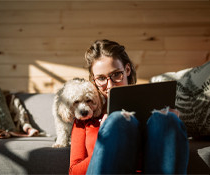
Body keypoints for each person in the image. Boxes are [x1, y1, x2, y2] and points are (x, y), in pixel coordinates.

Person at [69, 39, 189, 174]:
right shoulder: (84, 117)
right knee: (118, 120)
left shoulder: (155, 115)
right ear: (94, 81)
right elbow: (74, 171)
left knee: (167, 120)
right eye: (101, 78)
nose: (110, 85)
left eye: (116, 74)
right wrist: (104, 143)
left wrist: (172, 124)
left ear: (127, 70)